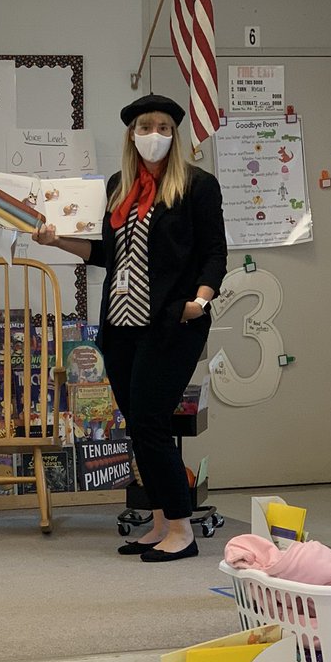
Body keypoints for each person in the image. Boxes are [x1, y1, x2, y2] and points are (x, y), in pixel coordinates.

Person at [34, 93, 227, 562]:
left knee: (152, 422)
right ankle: (159, 521)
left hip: (171, 321)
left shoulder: (197, 186)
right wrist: (59, 240)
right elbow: (105, 254)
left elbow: (214, 253)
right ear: (131, 135)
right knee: (137, 427)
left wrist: (199, 302)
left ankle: (181, 530)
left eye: (162, 127)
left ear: (174, 135)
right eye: (144, 127)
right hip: (120, 323)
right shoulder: (122, 186)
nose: (153, 135)